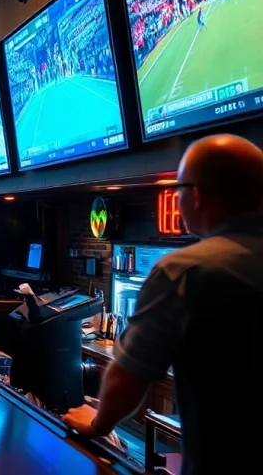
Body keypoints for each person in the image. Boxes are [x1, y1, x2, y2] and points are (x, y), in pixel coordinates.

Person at [63, 134, 263, 475]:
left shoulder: (184, 270)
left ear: (196, 196)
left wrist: (98, 424)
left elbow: (127, 380)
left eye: (179, 187)